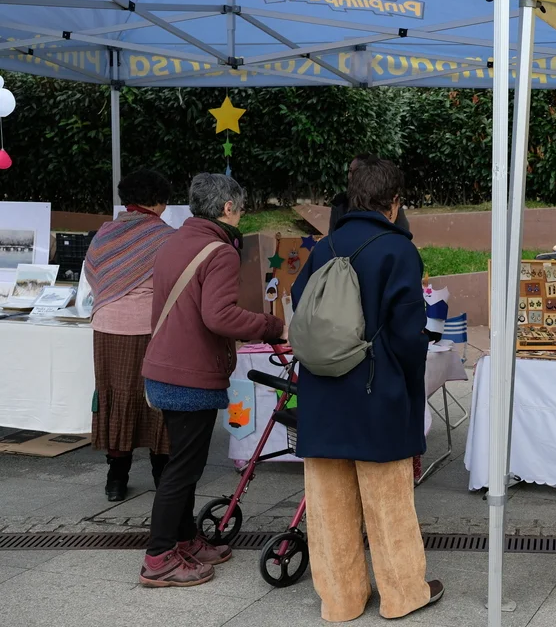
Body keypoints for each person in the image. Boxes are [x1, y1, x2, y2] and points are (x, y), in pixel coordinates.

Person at [293, 156, 441, 622]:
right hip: (378, 392)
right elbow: (406, 333)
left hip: (321, 393)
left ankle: (340, 601)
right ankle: (402, 595)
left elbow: (300, 305)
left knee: (327, 506)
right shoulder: (397, 250)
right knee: (388, 502)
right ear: (394, 202)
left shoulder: (325, 246)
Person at [139, 173, 286, 588]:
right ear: (227, 207)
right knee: (182, 469)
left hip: (164, 369)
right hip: (190, 375)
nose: (241, 215)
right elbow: (218, 316)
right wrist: (271, 326)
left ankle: (184, 539)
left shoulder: (174, 242)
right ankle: (159, 557)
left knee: (181, 464)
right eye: (241, 208)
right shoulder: (220, 251)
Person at [85, 168, 175, 502]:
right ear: (159, 201)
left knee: (117, 396)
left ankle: (116, 478)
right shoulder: (166, 237)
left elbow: (93, 274)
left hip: (107, 328)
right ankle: (162, 472)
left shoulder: (104, 233)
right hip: (152, 328)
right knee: (157, 397)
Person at [329, 155, 409, 233]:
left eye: (356, 172)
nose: (350, 176)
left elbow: (403, 232)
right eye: (350, 171)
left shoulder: (389, 202)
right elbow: (333, 234)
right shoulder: (340, 202)